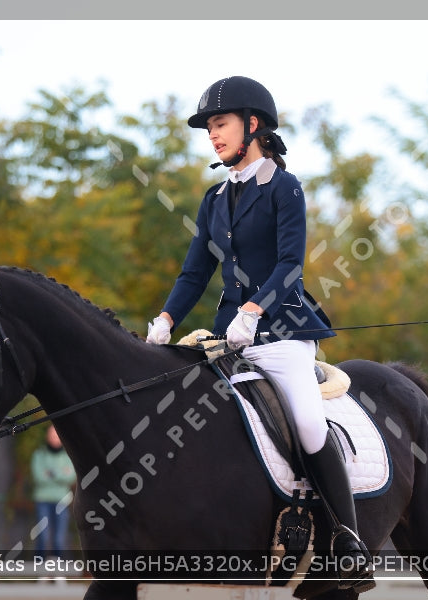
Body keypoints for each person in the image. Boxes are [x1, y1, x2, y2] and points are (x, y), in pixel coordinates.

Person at [145, 75, 373, 590]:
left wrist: (252, 308)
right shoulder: (214, 198)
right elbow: (194, 273)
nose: (212, 136)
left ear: (252, 125)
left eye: (219, 125)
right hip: (229, 336)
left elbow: (290, 264)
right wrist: (165, 320)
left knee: (311, 428)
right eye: (208, 129)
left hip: (283, 330)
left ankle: (347, 541)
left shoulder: (283, 188)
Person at [30, 424, 76, 559]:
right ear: (47, 436)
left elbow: (71, 477)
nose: (54, 438)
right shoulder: (39, 455)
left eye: (57, 435)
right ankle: (40, 572)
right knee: (42, 537)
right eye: (52, 434)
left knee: (59, 539)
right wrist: (61, 474)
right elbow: (39, 477)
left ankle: (58, 573)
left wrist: (51, 473)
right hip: (42, 500)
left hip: (62, 501)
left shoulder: (67, 456)